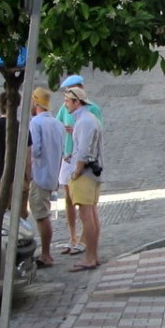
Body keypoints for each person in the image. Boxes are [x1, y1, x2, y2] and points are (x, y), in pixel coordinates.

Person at [56, 74, 102, 256]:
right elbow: (58, 123)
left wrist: (77, 171)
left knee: (87, 209)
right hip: (70, 158)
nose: (65, 101)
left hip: (82, 166)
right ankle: (73, 237)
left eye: (68, 98)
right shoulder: (67, 109)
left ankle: (88, 248)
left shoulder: (90, 114)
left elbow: (88, 143)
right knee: (70, 199)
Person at [28, 87, 65, 268]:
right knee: (44, 213)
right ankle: (46, 252)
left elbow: (34, 149)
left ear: (35, 103)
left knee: (42, 216)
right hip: (52, 175)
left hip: (39, 174)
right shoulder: (57, 123)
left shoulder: (35, 123)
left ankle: (46, 254)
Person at [0, 91, 32, 218]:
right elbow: (27, 160)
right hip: (19, 182)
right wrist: (28, 180)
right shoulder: (22, 127)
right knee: (19, 223)